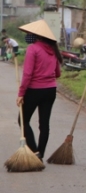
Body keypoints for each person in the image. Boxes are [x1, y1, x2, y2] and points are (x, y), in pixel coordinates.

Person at [15, 19, 62, 161]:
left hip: (34, 90)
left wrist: (21, 93)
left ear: (37, 35)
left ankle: (34, 150)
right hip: (50, 90)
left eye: (31, 33)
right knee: (44, 124)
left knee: (22, 120)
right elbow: (57, 73)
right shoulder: (53, 50)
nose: (29, 35)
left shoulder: (33, 48)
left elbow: (28, 74)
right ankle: (40, 153)